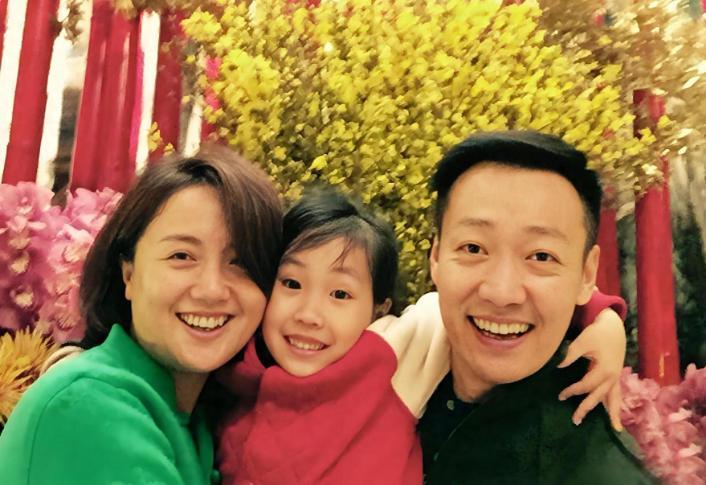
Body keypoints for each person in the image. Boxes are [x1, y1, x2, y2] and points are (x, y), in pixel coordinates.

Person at [216, 187, 629, 485]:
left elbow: (504, 306)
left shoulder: (393, 354)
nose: (308, 315)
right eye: (291, 284)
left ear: (378, 309)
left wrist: (603, 319)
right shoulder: (230, 370)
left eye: (340, 294)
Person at [0, 146, 283, 485]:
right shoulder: (88, 406)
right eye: (181, 256)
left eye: (240, 262)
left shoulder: (198, 422)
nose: (211, 289)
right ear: (129, 275)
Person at [418, 131, 654, 484]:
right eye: (473, 248)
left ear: (586, 275)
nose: (502, 293)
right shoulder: (397, 368)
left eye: (541, 256)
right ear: (436, 257)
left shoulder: (600, 472)